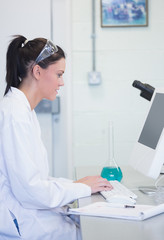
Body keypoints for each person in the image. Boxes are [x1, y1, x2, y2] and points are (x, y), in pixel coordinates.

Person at [0, 35, 112, 240]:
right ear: (37, 71)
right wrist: (81, 188)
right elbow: (30, 191)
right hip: (20, 221)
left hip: (28, 211)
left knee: (85, 224)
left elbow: (36, 180)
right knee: (86, 232)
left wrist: (75, 185)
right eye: (59, 74)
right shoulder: (15, 114)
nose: (61, 83)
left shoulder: (24, 111)